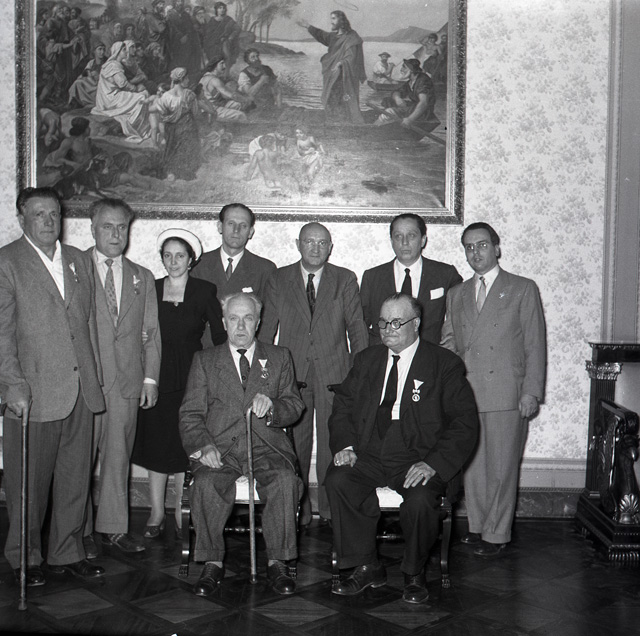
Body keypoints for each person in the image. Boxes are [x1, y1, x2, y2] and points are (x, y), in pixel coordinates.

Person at [325, 293, 478, 603]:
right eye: (383, 322)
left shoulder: (444, 364)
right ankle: (367, 565)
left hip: (418, 455)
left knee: (420, 500)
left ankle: (414, 572)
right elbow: (343, 405)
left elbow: (465, 423)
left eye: (397, 322)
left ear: (416, 323)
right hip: (369, 449)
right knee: (339, 480)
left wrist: (433, 464)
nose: (388, 329)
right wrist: (347, 445)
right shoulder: (367, 360)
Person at [0, 187, 106, 586]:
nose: (49, 221)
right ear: (22, 218)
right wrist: (12, 384)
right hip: (33, 392)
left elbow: (87, 323)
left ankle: (67, 550)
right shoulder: (7, 262)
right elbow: (2, 333)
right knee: (28, 484)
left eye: (54, 213)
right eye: (39, 214)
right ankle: (25, 558)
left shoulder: (78, 259)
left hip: (81, 389)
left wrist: (95, 378)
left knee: (75, 479)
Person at [179, 292, 304, 596]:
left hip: (267, 447)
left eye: (248, 318)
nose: (240, 326)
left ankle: (277, 561)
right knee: (206, 484)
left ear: (258, 322)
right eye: (233, 318)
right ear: (223, 322)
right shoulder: (205, 360)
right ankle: (212, 562)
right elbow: (190, 414)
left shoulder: (279, 357)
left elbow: (294, 405)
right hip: (221, 449)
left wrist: (273, 406)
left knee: (285, 481)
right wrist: (204, 446)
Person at [441, 222, 546, 557]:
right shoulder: (456, 294)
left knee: (501, 467)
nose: (476, 252)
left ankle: (497, 533)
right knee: (472, 466)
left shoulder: (521, 288)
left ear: (497, 248)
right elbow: (448, 344)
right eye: (469, 247)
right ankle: (477, 526)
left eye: (482, 245)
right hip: (467, 393)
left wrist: (531, 391)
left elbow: (534, 344)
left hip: (506, 392)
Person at [259, 223, 368, 527]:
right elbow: (267, 329)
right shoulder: (279, 278)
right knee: (295, 443)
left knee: (335, 441)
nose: (316, 248)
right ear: (298, 244)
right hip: (291, 374)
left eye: (322, 243)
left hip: (336, 373)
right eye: (309, 242)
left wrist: (360, 372)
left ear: (330, 247)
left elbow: (357, 328)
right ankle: (299, 509)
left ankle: (333, 510)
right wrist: (265, 374)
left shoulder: (344, 279)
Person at [132, 229, 226, 539]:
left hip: (191, 375)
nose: (173, 262)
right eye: (168, 256)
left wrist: (222, 371)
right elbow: (136, 326)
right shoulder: (151, 287)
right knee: (157, 442)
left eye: (180, 256)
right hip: (154, 375)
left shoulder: (204, 290)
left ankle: (179, 509)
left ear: (191, 260)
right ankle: (156, 511)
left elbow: (219, 334)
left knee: (184, 442)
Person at [83, 198, 161, 556]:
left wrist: (150, 380)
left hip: (127, 383)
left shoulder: (141, 276)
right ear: (93, 228)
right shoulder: (74, 268)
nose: (116, 234)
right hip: (84, 382)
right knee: (77, 463)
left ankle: (113, 528)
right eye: (107, 226)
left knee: (118, 459)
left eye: (122, 227)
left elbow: (151, 333)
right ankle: (79, 531)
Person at [360, 213, 462, 346]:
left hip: (429, 353)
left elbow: (460, 319)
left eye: (411, 235)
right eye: (398, 236)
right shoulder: (372, 277)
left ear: (423, 240)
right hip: (383, 353)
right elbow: (360, 324)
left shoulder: (445, 274)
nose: (404, 242)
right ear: (391, 241)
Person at [191, 203, 276, 303]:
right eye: (231, 223)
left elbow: (268, 310)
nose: (236, 230)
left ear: (250, 232)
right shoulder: (198, 265)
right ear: (220, 227)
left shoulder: (264, 269)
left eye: (243, 225)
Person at [297, 11, 366, 124]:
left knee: (343, 98)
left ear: (341, 20)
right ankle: (332, 121)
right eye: (331, 18)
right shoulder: (333, 36)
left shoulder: (351, 37)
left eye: (334, 18)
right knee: (331, 97)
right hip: (332, 74)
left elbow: (351, 56)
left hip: (344, 75)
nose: (331, 22)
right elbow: (321, 35)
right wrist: (308, 26)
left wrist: (341, 63)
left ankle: (344, 123)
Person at [92, 41, 151, 143]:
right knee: (142, 97)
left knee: (144, 94)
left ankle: (144, 127)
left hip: (113, 95)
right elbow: (123, 84)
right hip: (110, 98)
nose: (126, 51)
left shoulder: (116, 64)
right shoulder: (113, 65)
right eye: (124, 50)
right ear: (118, 52)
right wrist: (137, 89)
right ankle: (137, 127)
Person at [154, 67, 202, 180]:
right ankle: (182, 170)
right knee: (187, 146)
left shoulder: (166, 96)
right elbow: (196, 114)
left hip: (170, 130)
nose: (188, 80)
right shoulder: (189, 95)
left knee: (172, 149)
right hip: (187, 129)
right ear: (181, 79)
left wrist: (164, 132)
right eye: (187, 78)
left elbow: (161, 116)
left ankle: (171, 172)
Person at [374, 58, 439, 139]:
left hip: (423, 113)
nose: (401, 69)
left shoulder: (422, 80)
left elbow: (424, 103)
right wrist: (397, 98)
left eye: (404, 67)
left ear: (411, 70)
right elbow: (396, 92)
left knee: (389, 112)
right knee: (388, 100)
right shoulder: (411, 81)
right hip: (414, 108)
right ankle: (380, 125)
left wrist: (410, 119)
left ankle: (373, 129)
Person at [198, 57, 251, 121]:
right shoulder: (214, 80)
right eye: (222, 64)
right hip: (212, 109)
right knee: (241, 115)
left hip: (209, 106)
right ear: (215, 66)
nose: (225, 66)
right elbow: (231, 95)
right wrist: (245, 100)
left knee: (238, 105)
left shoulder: (204, 77)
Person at [166, 0, 202, 80]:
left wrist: (186, 35)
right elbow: (171, 27)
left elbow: (189, 27)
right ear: (174, 2)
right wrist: (180, 36)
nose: (180, 3)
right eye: (178, 1)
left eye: (182, 1)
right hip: (174, 42)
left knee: (187, 60)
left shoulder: (185, 15)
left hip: (186, 42)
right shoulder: (170, 14)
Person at [202, 1, 241, 69]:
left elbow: (237, 29)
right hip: (212, 43)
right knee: (212, 57)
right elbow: (208, 32)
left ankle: (226, 71)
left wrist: (230, 37)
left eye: (223, 8)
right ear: (216, 9)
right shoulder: (212, 19)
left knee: (226, 55)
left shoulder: (228, 19)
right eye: (220, 8)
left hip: (224, 41)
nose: (222, 9)